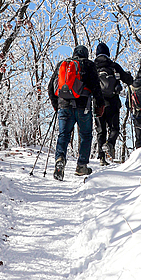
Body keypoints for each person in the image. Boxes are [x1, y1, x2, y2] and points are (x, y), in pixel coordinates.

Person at [48, 44, 105, 180]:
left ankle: (60, 159)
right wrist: (100, 105)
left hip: (64, 106)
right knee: (85, 135)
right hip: (83, 106)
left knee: (64, 135)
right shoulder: (89, 65)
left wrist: (56, 105)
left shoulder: (62, 64)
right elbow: (96, 87)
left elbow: (50, 87)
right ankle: (81, 166)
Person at [93, 42, 133, 165]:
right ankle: (109, 144)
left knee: (101, 131)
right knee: (114, 128)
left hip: (98, 103)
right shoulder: (114, 66)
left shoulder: (93, 67)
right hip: (113, 102)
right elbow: (129, 80)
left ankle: (101, 158)